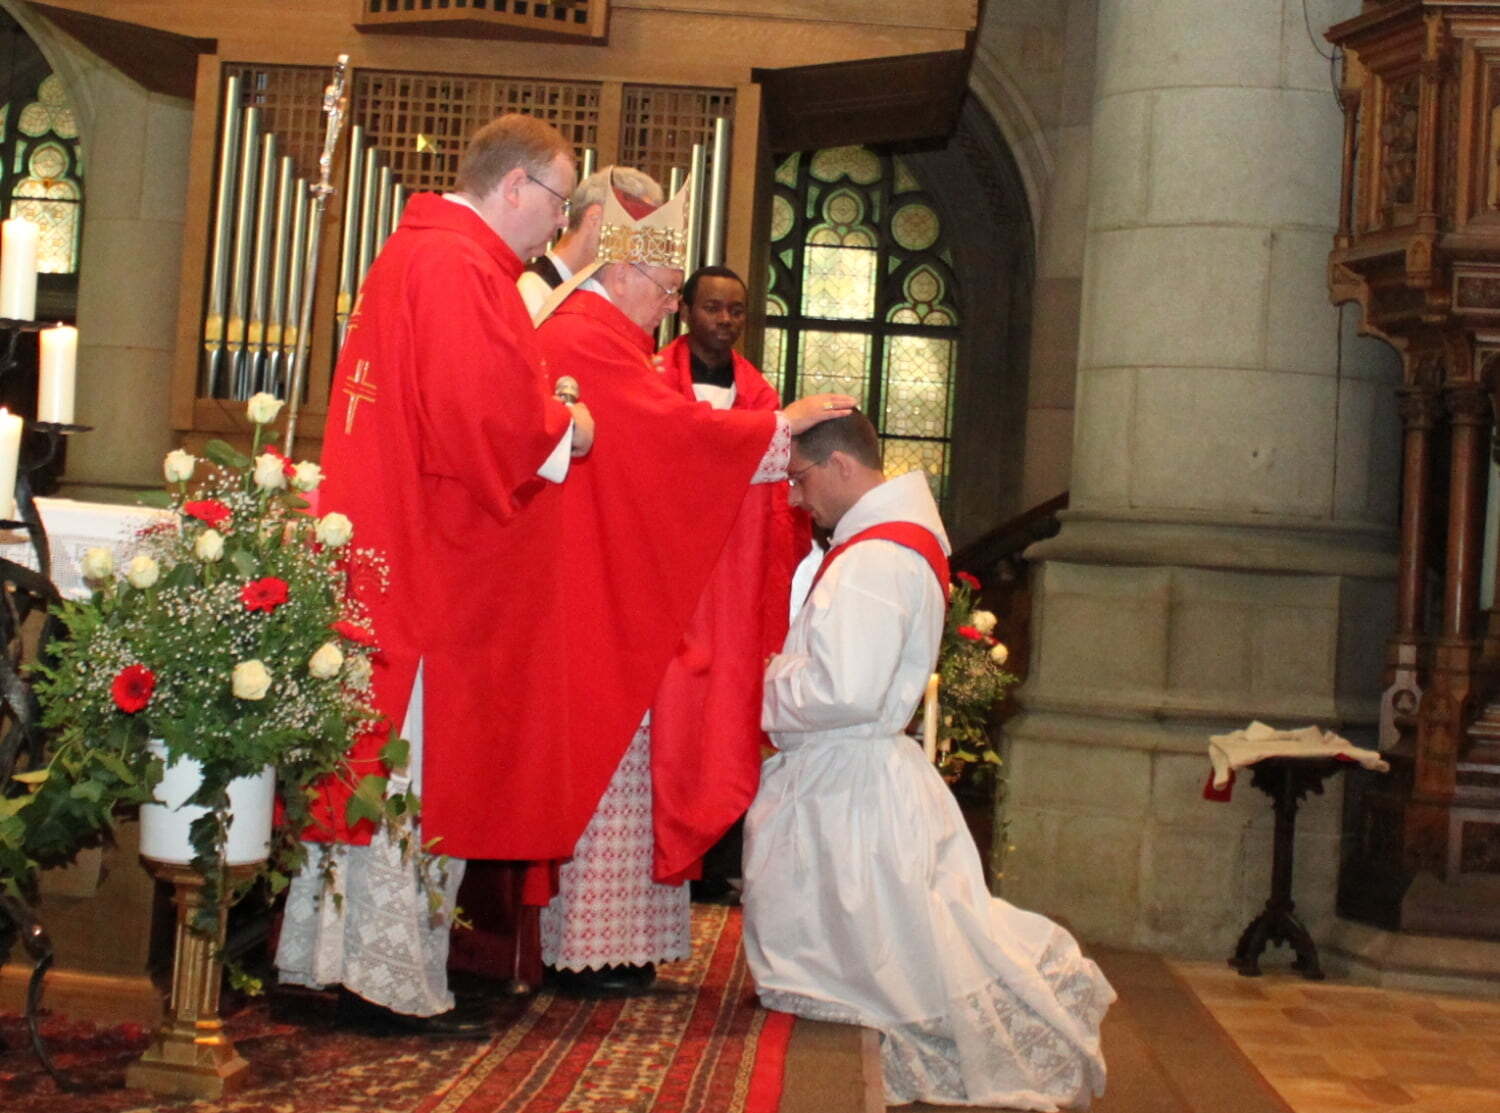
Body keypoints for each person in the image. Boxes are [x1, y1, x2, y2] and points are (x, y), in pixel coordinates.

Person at [273, 113, 594, 1038]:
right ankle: (387, 981)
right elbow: (479, 416)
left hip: (394, 542)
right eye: (559, 201)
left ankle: (331, 964)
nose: (559, 223)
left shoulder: (418, 253)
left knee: (384, 767)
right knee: (414, 771)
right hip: (429, 562)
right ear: (517, 188)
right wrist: (563, 426)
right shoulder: (457, 268)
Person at [495, 172, 853, 996]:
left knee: (633, 762)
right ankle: (586, 947)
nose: (669, 305)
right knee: (608, 764)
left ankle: (619, 945)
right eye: (663, 286)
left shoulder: (612, 335)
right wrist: (776, 428)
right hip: (591, 589)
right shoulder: (589, 334)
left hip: (613, 575)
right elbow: (669, 438)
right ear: (623, 270)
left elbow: (662, 446)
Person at [743, 413, 1115, 1109]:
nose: (796, 498)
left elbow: (843, 689)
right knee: (901, 940)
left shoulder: (874, 559)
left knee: (896, 961)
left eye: (800, 478)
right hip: (864, 775)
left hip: (850, 782)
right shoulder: (891, 547)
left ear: (843, 467)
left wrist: (763, 679)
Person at [655, 265, 808, 904]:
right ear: (684, 309)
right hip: (662, 581)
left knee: (725, 718)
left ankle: (714, 862)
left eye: (736, 311)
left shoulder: (764, 403)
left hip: (732, 585)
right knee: (665, 716)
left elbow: (780, 511)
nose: (724, 320)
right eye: (712, 307)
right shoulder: (652, 383)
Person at [514, 166, 661, 321]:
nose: (639, 245)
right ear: (595, 218)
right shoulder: (531, 290)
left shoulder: (601, 293)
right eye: (635, 229)